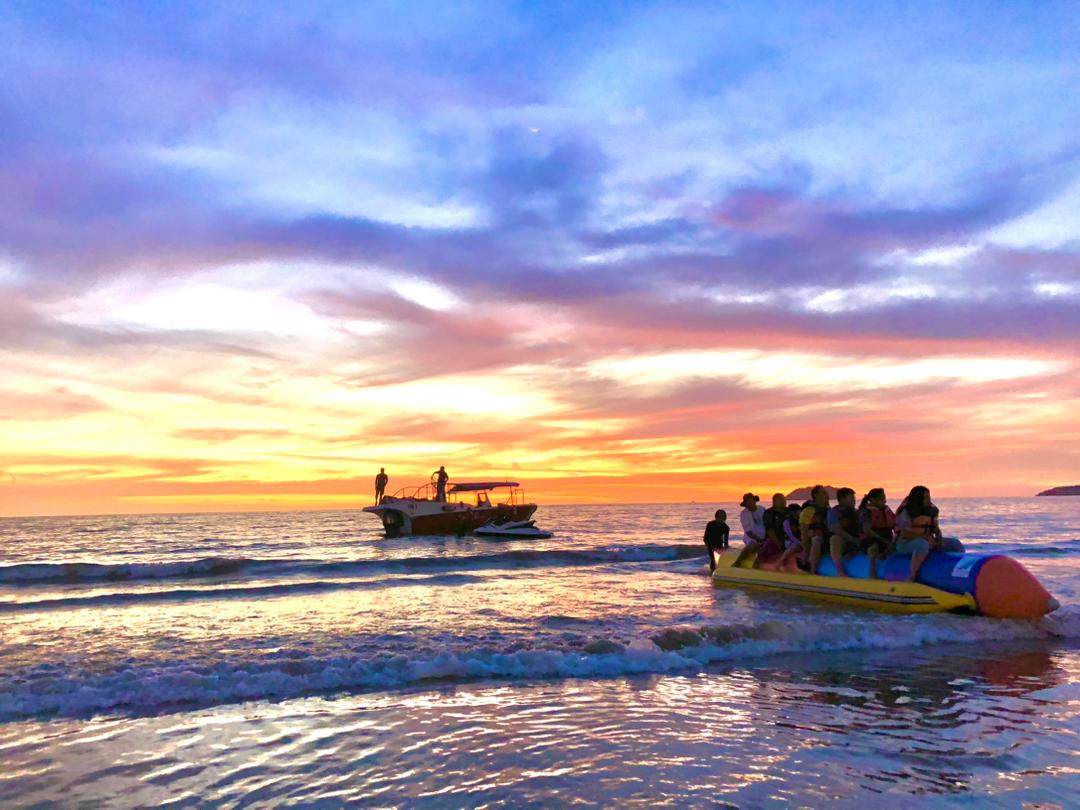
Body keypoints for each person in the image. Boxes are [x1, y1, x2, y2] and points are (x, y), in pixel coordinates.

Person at [857, 487, 895, 580]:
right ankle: (872, 573)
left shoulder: (886, 510)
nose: (885, 501)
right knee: (874, 547)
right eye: (882, 498)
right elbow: (867, 530)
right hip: (870, 539)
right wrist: (882, 540)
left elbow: (895, 524)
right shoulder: (867, 512)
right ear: (873, 500)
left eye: (884, 498)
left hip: (886, 538)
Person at [826, 487, 861, 577]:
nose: (854, 501)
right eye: (851, 498)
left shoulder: (857, 512)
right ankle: (840, 570)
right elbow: (835, 529)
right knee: (835, 539)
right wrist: (850, 538)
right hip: (844, 539)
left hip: (857, 538)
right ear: (842, 499)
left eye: (854, 498)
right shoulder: (834, 512)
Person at [799, 485, 831, 574]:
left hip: (828, 539)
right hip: (814, 542)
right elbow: (804, 533)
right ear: (816, 495)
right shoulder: (808, 511)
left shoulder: (829, 510)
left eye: (826, 493)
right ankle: (812, 569)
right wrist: (806, 550)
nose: (827, 495)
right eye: (824, 493)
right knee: (816, 539)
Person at [735, 492, 766, 568]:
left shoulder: (762, 510)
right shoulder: (744, 514)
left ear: (754, 501)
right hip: (751, 537)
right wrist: (759, 540)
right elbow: (749, 532)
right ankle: (738, 561)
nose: (749, 503)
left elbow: (768, 524)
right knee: (753, 545)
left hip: (765, 536)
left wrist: (766, 537)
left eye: (751, 501)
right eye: (747, 502)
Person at [758, 493, 789, 562]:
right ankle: (759, 562)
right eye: (781, 499)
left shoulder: (788, 511)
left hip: (787, 538)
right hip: (773, 539)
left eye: (784, 499)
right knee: (769, 543)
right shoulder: (769, 512)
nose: (784, 501)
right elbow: (769, 530)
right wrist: (778, 542)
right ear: (774, 501)